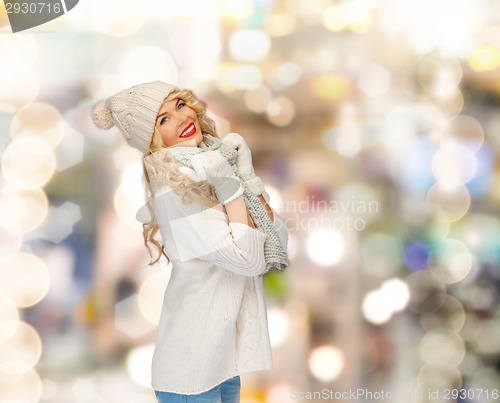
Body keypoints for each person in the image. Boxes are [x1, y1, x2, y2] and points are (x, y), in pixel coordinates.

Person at [92, 81, 288, 403]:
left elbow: (274, 241)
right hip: (190, 373)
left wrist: (246, 178)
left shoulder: (211, 166)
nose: (181, 119)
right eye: (163, 120)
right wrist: (230, 185)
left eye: (179, 106)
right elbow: (249, 261)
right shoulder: (176, 193)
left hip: (222, 361)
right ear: (153, 141)